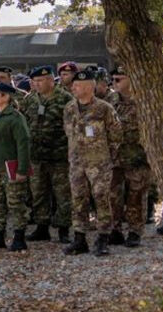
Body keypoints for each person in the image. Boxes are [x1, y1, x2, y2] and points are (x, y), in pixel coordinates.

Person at [63, 69, 122, 256]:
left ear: (90, 87)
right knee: (78, 198)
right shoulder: (69, 108)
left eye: (79, 85)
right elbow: (68, 133)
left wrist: (107, 156)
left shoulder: (104, 108)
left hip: (99, 162)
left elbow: (116, 134)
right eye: (74, 85)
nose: (74, 88)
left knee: (101, 198)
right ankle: (80, 237)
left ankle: (103, 237)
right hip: (77, 161)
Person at [20, 65, 73, 243]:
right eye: (35, 81)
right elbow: (24, 123)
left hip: (59, 156)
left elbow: (72, 127)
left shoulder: (65, 99)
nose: (37, 84)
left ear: (51, 80)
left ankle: (63, 228)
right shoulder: (30, 100)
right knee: (38, 192)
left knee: (62, 194)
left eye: (41, 80)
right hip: (36, 156)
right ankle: (42, 227)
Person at [0, 82, 32, 252]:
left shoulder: (15, 118)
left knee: (16, 203)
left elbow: (23, 145)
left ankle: (19, 236)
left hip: (10, 168)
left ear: (6, 97)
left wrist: (22, 170)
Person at [107, 67, 147, 248]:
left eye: (119, 79)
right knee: (113, 196)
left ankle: (134, 231)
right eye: (113, 79)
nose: (115, 83)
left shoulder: (144, 101)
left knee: (135, 196)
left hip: (137, 157)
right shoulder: (110, 101)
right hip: (115, 158)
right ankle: (115, 230)